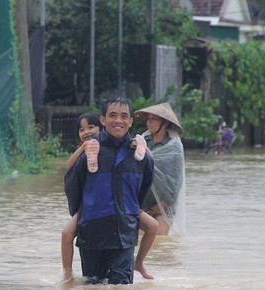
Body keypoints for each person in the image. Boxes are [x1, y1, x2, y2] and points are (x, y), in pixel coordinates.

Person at [64, 97, 155, 285]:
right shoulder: (88, 153)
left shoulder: (141, 157)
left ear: (130, 121)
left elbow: (144, 188)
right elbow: (73, 184)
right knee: (93, 284)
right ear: (103, 120)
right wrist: (83, 211)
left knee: (121, 285)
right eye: (113, 115)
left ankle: (138, 264)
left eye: (124, 116)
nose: (118, 120)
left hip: (124, 234)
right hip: (92, 233)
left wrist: (130, 209)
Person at [134, 102, 186, 236]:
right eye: (148, 119)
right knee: (140, 243)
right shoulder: (142, 142)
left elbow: (177, 179)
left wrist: (165, 203)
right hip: (143, 203)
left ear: (165, 123)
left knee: (161, 244)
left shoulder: (174, 147)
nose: (149, 122)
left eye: (154, 119)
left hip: (165, 204)